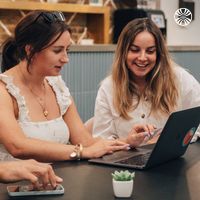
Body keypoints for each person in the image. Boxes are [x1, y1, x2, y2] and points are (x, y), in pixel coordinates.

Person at [0, 10, 133, 161]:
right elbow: (18, 147)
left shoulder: (57, 86)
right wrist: (80, 152)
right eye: (57, 50)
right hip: (18, 183)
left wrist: (127, 142)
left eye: (67, 50)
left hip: (60, 180)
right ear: (30, 50)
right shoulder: (3, 91)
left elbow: (85, 141)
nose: (66, 59)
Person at [92, 18, 200, 146]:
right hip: (126, 162)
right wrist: (128, 142)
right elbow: (101, 141)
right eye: (134, 50)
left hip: (173, 160)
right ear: (123, 52)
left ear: (159, 54)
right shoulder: (108, 88)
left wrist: (168, 138)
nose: (142, 58)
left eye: (150, 51)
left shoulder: (180, 79)